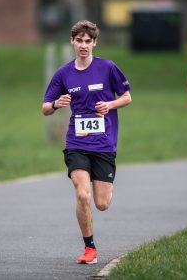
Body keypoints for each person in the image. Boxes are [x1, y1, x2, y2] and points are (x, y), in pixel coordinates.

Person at [42, 20, 132, 264]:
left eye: (87, 41)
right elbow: (44, 108)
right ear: (72, 41)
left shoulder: (108, 68)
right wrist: (55, 105)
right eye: (79, 40)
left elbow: (127, 96)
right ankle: (89, 248)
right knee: (83, 195)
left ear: (94, 42)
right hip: (77, 143)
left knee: (101, 203)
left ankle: (102, 179)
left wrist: (110, 104)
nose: (83, 45)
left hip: (104, 144)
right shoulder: (64, 73)